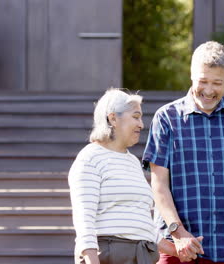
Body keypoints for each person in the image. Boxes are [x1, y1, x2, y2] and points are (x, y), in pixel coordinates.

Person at [143, 41, 224, 264]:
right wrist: (179, 233)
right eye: (203, 81)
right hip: (178, 251)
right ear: (192, 76)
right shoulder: (166, 118)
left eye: (217, 83)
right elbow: (159, 184)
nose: (209, 90)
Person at [68, 88, 182, 264]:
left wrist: (177, 250)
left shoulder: (133, 162)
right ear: (113, 118)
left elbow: (141, 223)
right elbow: (84, 222)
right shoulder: (90, 158)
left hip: (142, 256)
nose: (141, 124)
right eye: (136, 117)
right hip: (107, 255)